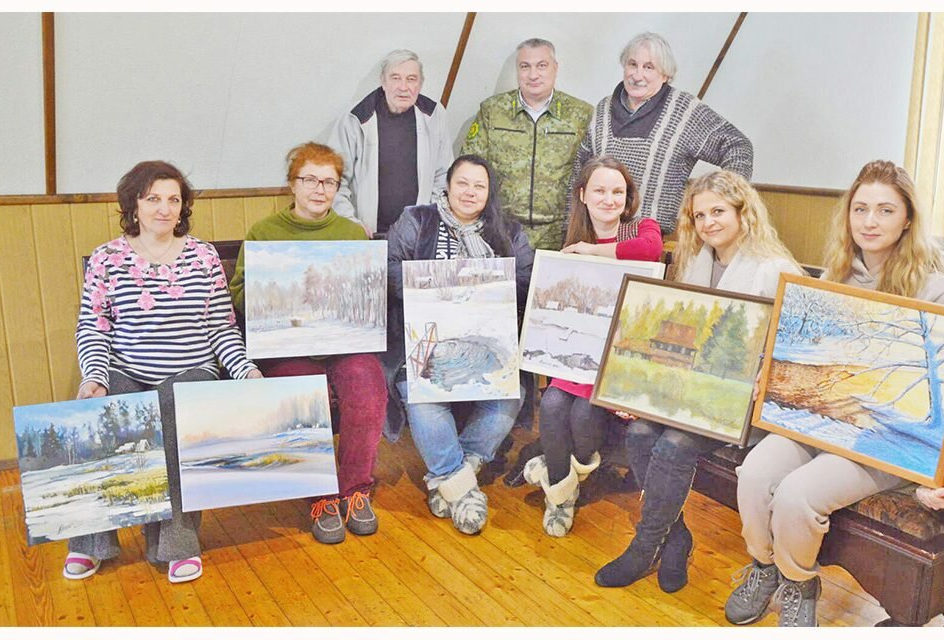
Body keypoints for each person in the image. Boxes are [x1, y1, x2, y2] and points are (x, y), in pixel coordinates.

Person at [724, 160, 944, 627]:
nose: (870, 221)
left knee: (800, 492)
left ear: (907, 219)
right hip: (823, 423)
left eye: (885, 210)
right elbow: (805, 357)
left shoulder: (938, 292)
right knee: (754, 472)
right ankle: (764, 566)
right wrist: (773, 380)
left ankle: (798, 582)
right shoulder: (834, 275)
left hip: (882, 442)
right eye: (860, 209)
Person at [592, 169, 803, 593]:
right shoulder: (693, 263)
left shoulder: (775, 268)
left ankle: (646, 545)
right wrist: (639, 390)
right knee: (640, 434)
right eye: (700, 215)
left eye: (718, 212)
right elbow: (670, 333)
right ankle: (676, 538)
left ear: (743, 212)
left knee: (674, 444)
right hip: (689, 393)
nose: (708, 223)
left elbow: (799, 345)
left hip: (748, 402)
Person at [64, 161, 261, 583]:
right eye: (153, 198)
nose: (164, 208)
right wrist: (94, 376)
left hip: (193, 368)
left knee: (172, 407)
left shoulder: (203, 255)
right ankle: (91, 542)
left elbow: (220, 325)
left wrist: (245, 370)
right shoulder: (106, 258)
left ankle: (176, 544)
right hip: (127, 368)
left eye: (173, 199)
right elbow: (93, 327)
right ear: (134, 205)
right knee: (99, 412)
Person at [228, 142, 387, 545]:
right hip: (288, 346)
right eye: (310, 179)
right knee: (304, 391)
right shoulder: (265, 232)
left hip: (344, 342)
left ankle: (355, 489)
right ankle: (322, 498)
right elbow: (240, 295)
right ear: (292, 184)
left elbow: (369, 295)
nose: (320, 189)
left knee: (368, 386)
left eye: (329, 181)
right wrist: (275, 290)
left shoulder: (352, 233)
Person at [385, 154, 534, 534]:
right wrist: (442, 288)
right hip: (425, 341)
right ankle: (460, 485)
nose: (470, 192)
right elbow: (389, 270)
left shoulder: (509, 231)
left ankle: (453, 478)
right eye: (462, 183)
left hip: (484, 342)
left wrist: (483, 287)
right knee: (423, 395)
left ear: (489, 192)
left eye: (479, 186)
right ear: (448, 186)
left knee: (508, 396)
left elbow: (525, 280)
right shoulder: (417, 221)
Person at [520, 156, 663, 537]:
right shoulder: (566, 244)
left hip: (618, 363)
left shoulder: (641, 228)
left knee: (584, 414)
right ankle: (561, 496)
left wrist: (592, 251)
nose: (609, 199)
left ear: (628, 196)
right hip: (577, 358)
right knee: (550, 404)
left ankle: (562, 472)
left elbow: (650, 250)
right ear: (583, 195)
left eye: (618, 191)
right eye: (600, 190)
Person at [572, 32, 753, 237]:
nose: (638, 75)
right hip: (593, 237)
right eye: (632, 64)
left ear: (666, 74)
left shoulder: (684, 111)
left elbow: (738, 146)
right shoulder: (604, 109)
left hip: (646, 242)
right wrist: (571, 232)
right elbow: (580, 172)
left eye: (649, 67)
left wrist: (725, 199)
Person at [461, 38, 593, 250]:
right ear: (517, 70)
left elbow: (593, 175)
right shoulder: (492, 111)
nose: (533, 75)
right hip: (501, 232)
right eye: (525, 66)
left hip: (561, 235)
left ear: (555, 68)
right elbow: (469, 167)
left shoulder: (580, 115)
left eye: (542, 65)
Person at [329, 49, 453, 237]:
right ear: (383, 81)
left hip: (418, 235)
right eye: (395, 78)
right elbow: (334, 179)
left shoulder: (435, 114)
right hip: (368, 234)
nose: (403, 87)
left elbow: (443, 175)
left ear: (420, 84)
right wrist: (350, 223)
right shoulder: (356, 118)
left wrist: (430, 219)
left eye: (411, 79)